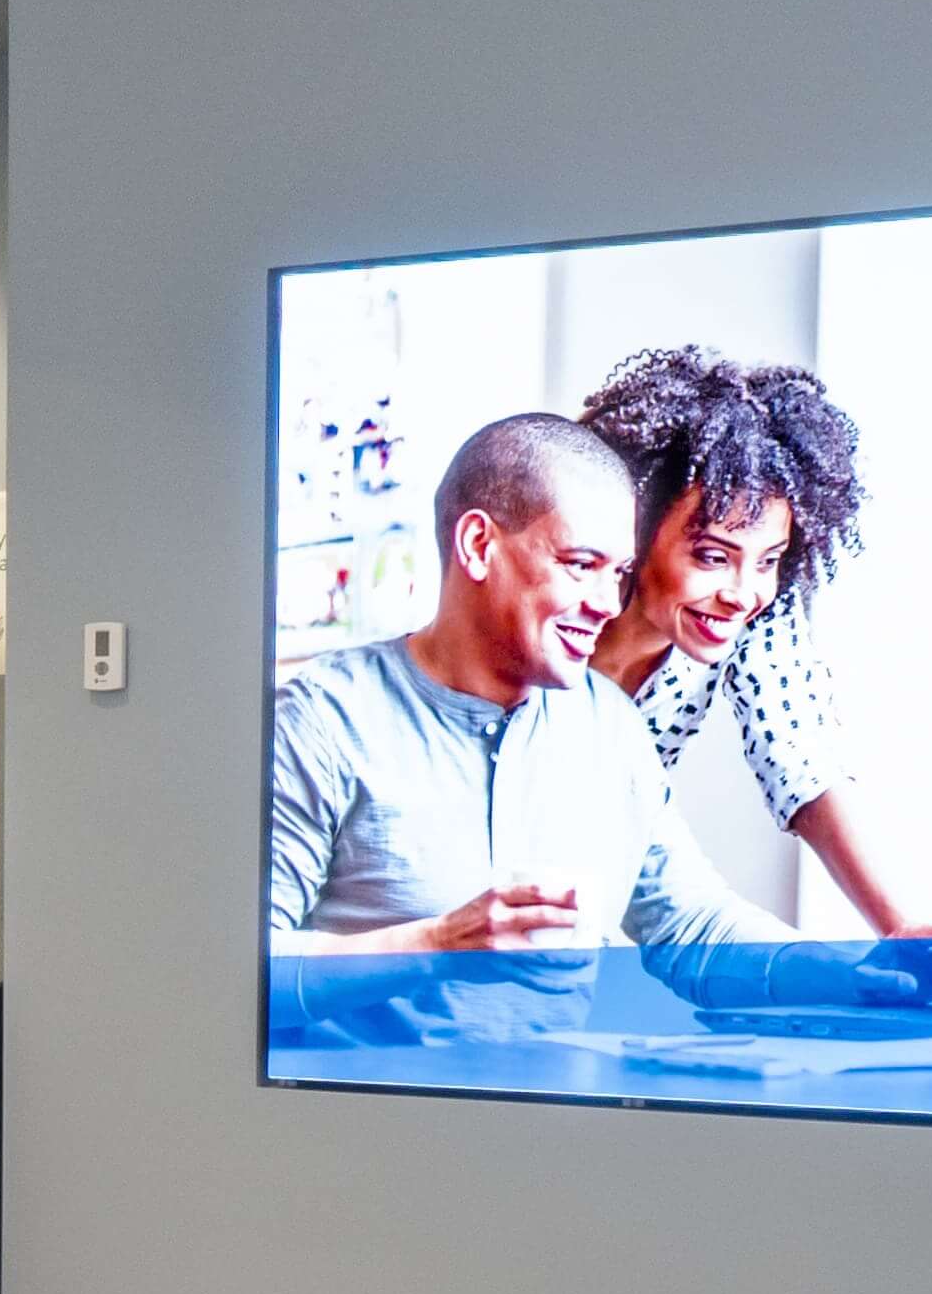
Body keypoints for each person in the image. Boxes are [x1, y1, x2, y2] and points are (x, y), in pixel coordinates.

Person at [262, 413, 816, 994]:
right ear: (479, 546)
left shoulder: (611, 726)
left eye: (619, 573)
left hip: (555, 1086)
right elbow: (229, 971)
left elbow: (695, 928)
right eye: (581, 566)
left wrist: (857, 971)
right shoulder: (322, 718)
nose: (607, 604)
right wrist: (435, 945)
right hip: (357, 1088)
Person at [569, 342, 932, 939]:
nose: (743, 592)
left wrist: (904, 930)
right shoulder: (556, 617)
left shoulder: (747, 615)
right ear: (634, 527)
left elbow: (802, 758)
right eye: (713, 556)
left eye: (769, 559)